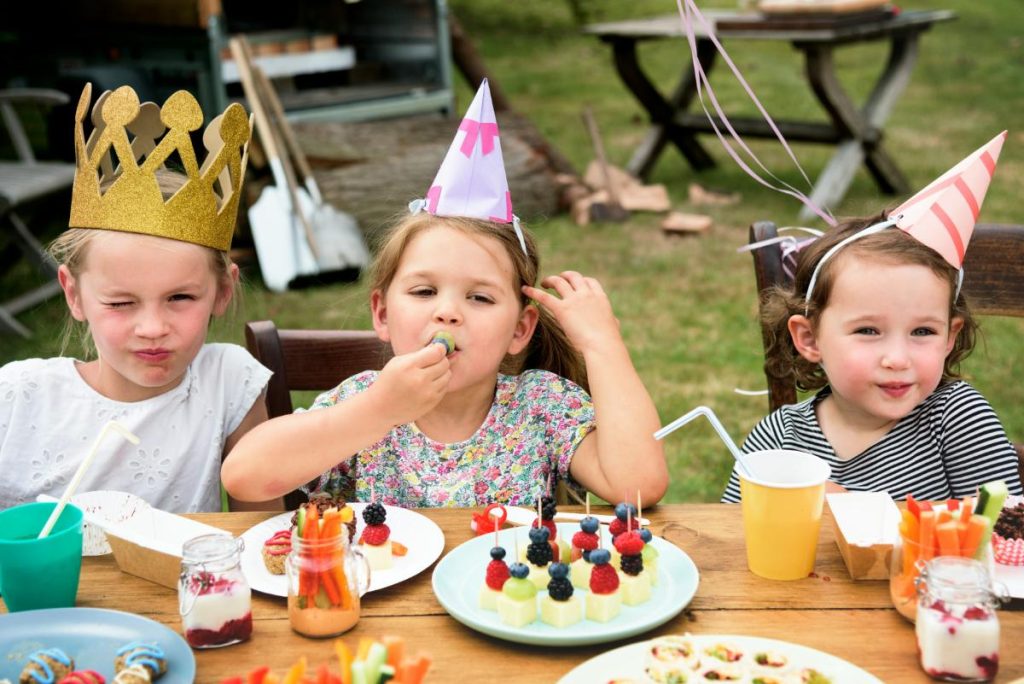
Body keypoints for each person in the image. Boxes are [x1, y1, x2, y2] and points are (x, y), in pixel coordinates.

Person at [222, 81, 667, 507]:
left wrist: (602, 344)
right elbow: (244, 476)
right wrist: (377, 411)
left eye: (480, 298)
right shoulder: (360, 402)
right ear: (381, 313)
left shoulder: (541, 408)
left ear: (519, 329)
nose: (448, 312)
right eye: (424, 291)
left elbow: (639, 486)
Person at [0, 84, 274, 513]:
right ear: (73, 294)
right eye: (121, 303)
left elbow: (262, 537)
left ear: (222, 291)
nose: (152, 328)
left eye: (180, 297)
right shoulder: (17, 397)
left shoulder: (227, 383)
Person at [723, 132, 1022, 502]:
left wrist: (864, 516)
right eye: (868, 330)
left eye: (923, 331)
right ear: (810, 338)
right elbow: (736, 538)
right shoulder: (778, 440)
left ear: (950, 336)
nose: (897, 359)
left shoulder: (958, 419)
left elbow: (1003, 537)